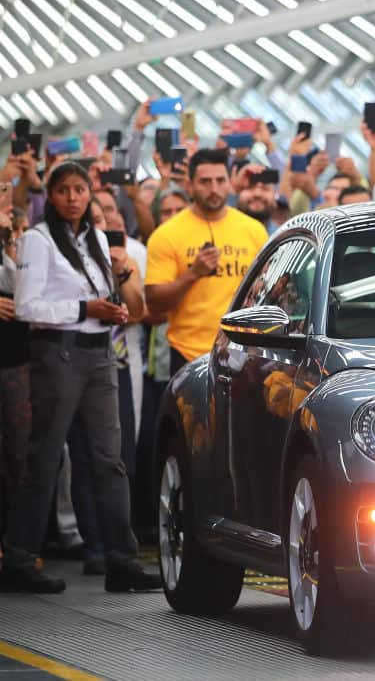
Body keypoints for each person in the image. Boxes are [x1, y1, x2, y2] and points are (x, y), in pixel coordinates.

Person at [6, 161, 159, 593]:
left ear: (89, 194)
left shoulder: (95, 238)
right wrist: (84, 310)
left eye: (79, 190)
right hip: (60, 354)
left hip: (99, 354)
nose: (72, 198)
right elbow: (26, 307)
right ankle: (19, 557)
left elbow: (102, 295)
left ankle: (120, 559)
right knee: (46, 456)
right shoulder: (37, 240)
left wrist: (110, 307)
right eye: (63, 190)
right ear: (50, 196)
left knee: (110, 460)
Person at [144, 150, 268, 376]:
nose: (214, 189)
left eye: (220, 180)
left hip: (245, 353)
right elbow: (154, 303)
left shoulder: (254, 230)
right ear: (189, 185)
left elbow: (269, 290)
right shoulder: (166, 235)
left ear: (229, 183)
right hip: (188, 354)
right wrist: (193, 274)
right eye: (205, 182)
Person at [0, 207, 30, 561]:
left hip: (16, 361)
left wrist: (9, 241)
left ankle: (15, 545)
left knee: (19, 454)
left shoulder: (20, 244)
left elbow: (23, 289)